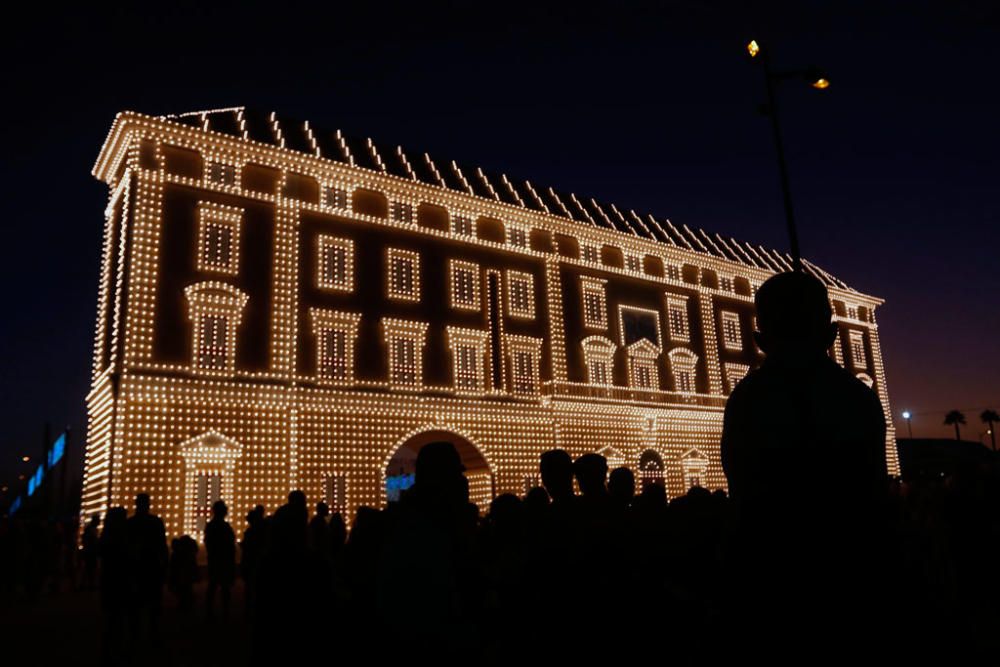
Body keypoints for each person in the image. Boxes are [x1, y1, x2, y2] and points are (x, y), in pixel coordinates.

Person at [720, 270, 889, 664]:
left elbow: (743, 495)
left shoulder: (749, 399)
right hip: (856, 588)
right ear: (831, 335)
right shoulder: (857, 398)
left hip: (771, 592)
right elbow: (874, 498)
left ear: (761, 340)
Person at [126, 493, 168, 641]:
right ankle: (152, 634)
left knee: (137, 604)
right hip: (151, 567)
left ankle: (136, 636)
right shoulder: (155, 522)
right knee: (152, 604)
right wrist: (165, 564)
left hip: (138, 568)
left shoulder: (130, 524)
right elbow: (162, 545)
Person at [204, 500, 236, 619]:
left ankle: (210, 611)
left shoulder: (211, 525)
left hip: (216, 559)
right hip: (222, 560)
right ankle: (224, 612)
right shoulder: (222, 526)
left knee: (214, 585)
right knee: (223, 586)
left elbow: (208, 542)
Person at [79, 513, 100, 590]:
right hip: (90, 552)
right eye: (98, 520)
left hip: (89, 552)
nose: (99, 522)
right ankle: (87, 584)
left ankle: (85, 584)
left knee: (88, 568)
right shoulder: (91, 529)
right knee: (89, 568)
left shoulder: (91, 529)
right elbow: (89, 541)